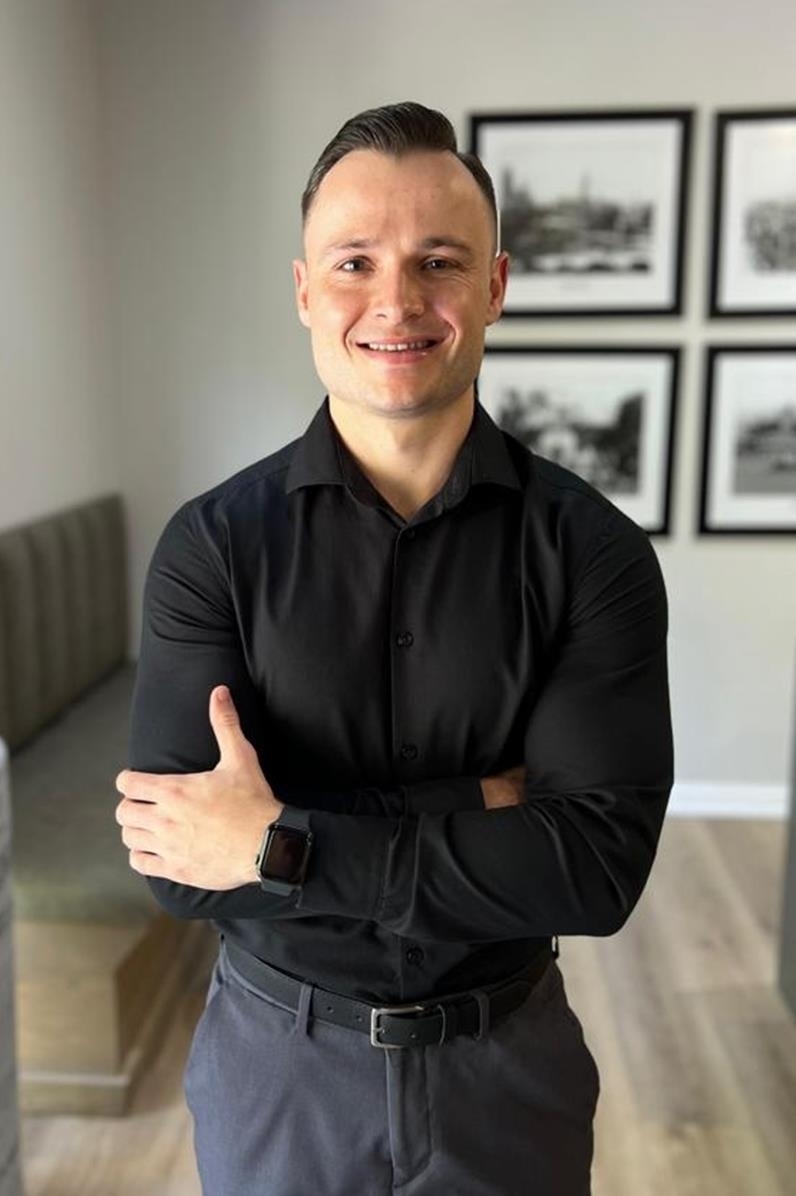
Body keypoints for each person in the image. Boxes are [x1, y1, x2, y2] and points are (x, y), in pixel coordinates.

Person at [115, 101, 673, 1196]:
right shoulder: (212, 547)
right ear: (304, 290)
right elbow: (180, 866)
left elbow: (594, 870)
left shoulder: (592, 550)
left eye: (438, 262)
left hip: (506, 1071)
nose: (397, 301)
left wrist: (276, 840)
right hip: (278, 1071)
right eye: (355, 262)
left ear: (495, 286)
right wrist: (476, 800)